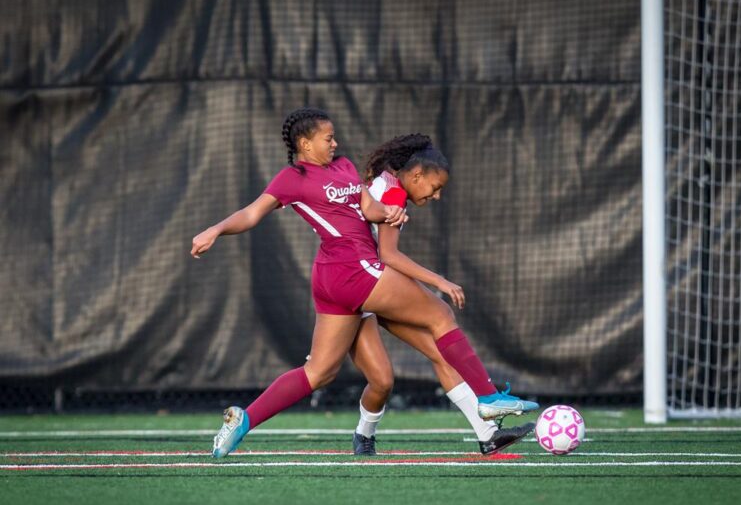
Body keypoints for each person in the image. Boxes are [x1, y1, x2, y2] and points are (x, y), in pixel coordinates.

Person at [190, 107, 538, 458]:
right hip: (352, 268)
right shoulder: (291, 178)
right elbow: (251, 213)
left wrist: (389, 212)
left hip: (336, 277)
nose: (335, 142)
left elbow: (368, 207)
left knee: (320, 372)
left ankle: (244, 420)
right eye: (328, 138)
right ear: (305, 143)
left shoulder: (342, 166)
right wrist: (215, 229)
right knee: (440, 315)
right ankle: (490, 399)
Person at [348, 134, 536, 456]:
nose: (436, 196)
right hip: (359, 283)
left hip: (361, 283)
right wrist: (442, 282)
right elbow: (389, 255)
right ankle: (489, 398)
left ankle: (488, 433)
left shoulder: (384, 181)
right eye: (435, 187)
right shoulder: (393, 191)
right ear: (417, 174)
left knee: (422, 359)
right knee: (435, 322)